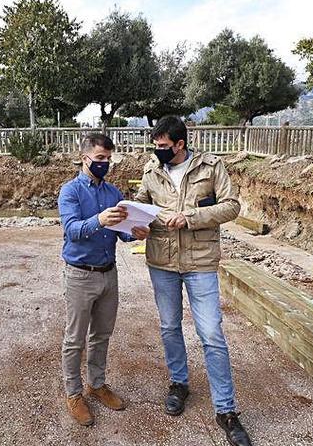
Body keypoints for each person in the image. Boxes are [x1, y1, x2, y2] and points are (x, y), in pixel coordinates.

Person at [134, 116, 252, 446]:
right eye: (155, 146)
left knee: (212, 334)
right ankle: (178, 383)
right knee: (169, 327)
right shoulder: (151, 170)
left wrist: (190, 218)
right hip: (162, 261)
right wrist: (135, 221)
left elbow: (231, 206)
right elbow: (142, 203)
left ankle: (226, 411)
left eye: (163, 146)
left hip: (200, 262)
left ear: (180, 144)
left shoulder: (211, 167)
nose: (157, 151)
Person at [57, 133, 149, 427]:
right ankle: (73, 394)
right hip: (80, 275)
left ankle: (96, 384)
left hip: (109, 274)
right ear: (85, 158)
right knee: (74, 340)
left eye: (109, 158)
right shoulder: (70, 192)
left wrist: (132, 232)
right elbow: (71, 230)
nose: (105, 163)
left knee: (102, 334)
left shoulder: (113, 192)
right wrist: (99, 220)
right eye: (100, 158)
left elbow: (119, 230)